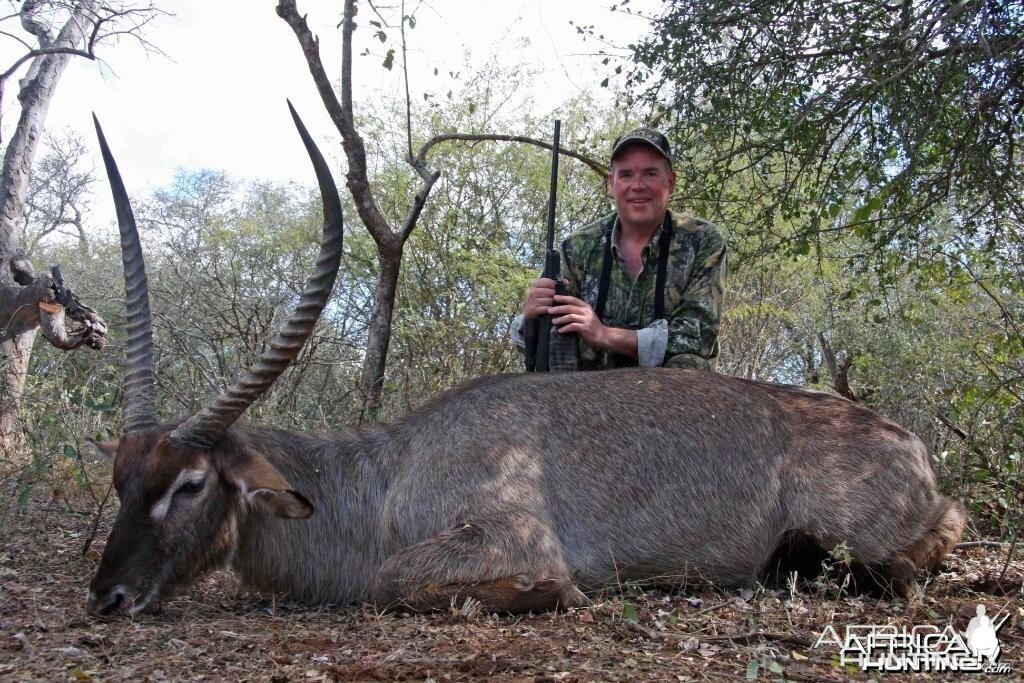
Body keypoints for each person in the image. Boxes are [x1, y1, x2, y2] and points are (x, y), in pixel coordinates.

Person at [513, 127, 726, 371]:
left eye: (650, 173)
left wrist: (604, 335)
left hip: (664, 394)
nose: (637, 185)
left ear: (671, 181)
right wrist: (533, 318)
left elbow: (696, 339)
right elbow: (550, 340)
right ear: (611, 183)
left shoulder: (702, 241)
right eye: (626, 175)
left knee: (689, 364)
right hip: (588, 392)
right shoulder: (577, 247)